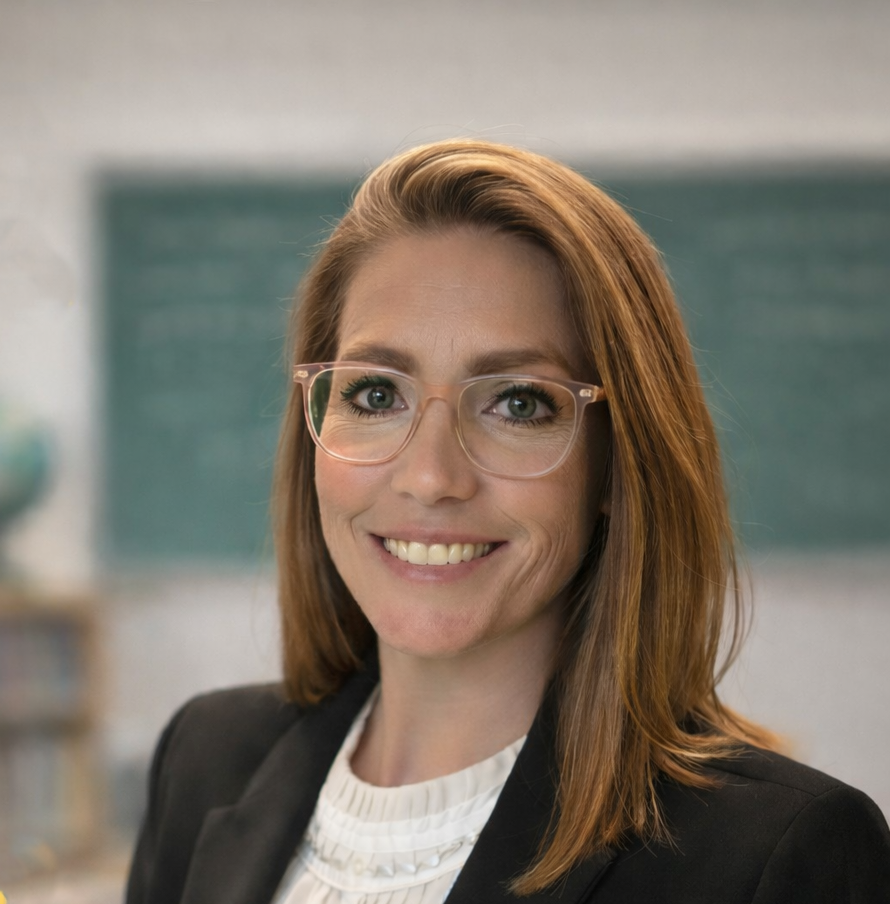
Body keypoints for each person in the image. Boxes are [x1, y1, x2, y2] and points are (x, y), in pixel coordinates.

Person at [126, 140, 890, 904]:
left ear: (616, 465)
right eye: (374, 395)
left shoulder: (779, 856)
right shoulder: (206, 761)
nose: (430, 478)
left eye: (519, 403)